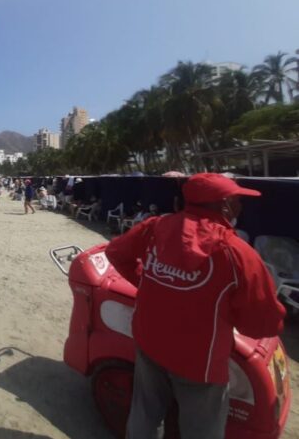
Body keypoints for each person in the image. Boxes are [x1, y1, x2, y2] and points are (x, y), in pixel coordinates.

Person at [105, 173, 285, 439]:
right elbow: (264, 323)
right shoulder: (237, 253)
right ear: (224, 204)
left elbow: (117, 253)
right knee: (202, 429)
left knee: (145, 412)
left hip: (149, 340)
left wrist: (147, 282)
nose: (241, 207)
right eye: (237, 200)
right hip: (200, 361)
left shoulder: (156, 227)